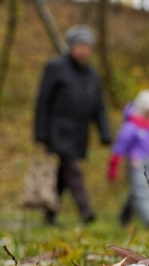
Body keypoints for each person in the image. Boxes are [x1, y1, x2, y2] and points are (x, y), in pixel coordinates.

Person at [34, 25, 111, 226]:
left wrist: (104, 131)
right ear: (72, 47)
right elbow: (43, 101)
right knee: (72, 169)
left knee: (63, 175)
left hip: (79, 132)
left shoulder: (92, 75)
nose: (85, 50)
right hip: (57, 130)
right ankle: (86, 212)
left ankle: (49, 214)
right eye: (81, 45)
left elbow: (98, 106)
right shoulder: (56, 67)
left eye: (88, 46)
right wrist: (41, 132)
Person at [107, 89, 149, 227]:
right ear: (142, 109)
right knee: (144, 191)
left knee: (137, 192)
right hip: (136, 164)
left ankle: (124, 217)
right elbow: (120, 146)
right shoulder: (131, 127)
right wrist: (113, 166)